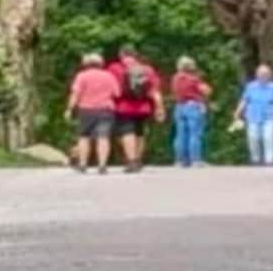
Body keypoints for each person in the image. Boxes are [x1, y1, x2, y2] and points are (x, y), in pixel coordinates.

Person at [109, 45, 164, 173]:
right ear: (136, 55)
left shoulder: (115, 68)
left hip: (123, 107)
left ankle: (131, 160)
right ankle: (138, 159)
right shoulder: (147, 69)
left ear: (121, 55)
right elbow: (154, 91)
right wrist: (159, 108)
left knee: (127, 132)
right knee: (139, 132)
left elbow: (113, 89)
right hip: (143, 107)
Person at [65, 52, 121, 175]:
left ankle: (83, 164)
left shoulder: (81, 76)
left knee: (84, 137)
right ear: (101, 63)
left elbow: (75, 94)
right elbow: (117, 93)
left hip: (86, 110)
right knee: (103, 137)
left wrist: (69, 109)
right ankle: (102, 166)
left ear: (86, 64)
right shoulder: (109, 76)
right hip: (105, 110)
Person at [235, 64, 273, 166]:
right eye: (261, 74)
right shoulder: (251, 86)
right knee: (253, 138)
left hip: (269, 115)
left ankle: (269, 160)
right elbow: (245, 100)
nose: (263, 76)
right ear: (257, 75)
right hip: (253, 115)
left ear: (269, 75)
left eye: (266, 74)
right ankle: (255, 159)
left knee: (268, 137)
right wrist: (238, 111)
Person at [169, 56, 213, 168]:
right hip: (192, 106)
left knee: (180, 134)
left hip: (179, 106)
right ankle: (195, 160)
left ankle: (180, 160)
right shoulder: (193, 79)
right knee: (195, 134)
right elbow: (206, 91)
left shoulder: (175, 78)